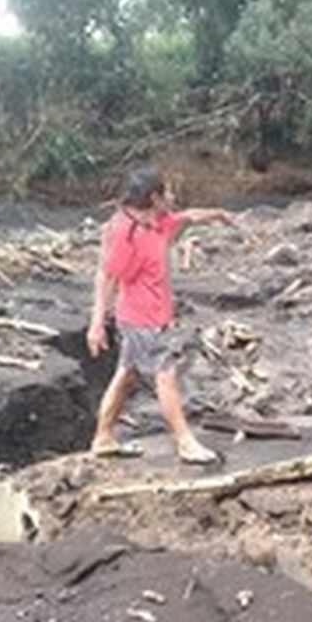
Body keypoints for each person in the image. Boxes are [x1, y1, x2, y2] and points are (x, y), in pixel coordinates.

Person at [86, 164, 235, 464]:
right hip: (142, 320)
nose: (170, 196)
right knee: (165, 375)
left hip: (152, 315)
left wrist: (217, 214)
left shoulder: (157, 222)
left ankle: (103, 437)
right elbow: (107, 277)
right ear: (154, 197)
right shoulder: (126, 234)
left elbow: (189, 216)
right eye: (165, 191)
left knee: (126, 376)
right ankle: (185, 442)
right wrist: (96, 325)